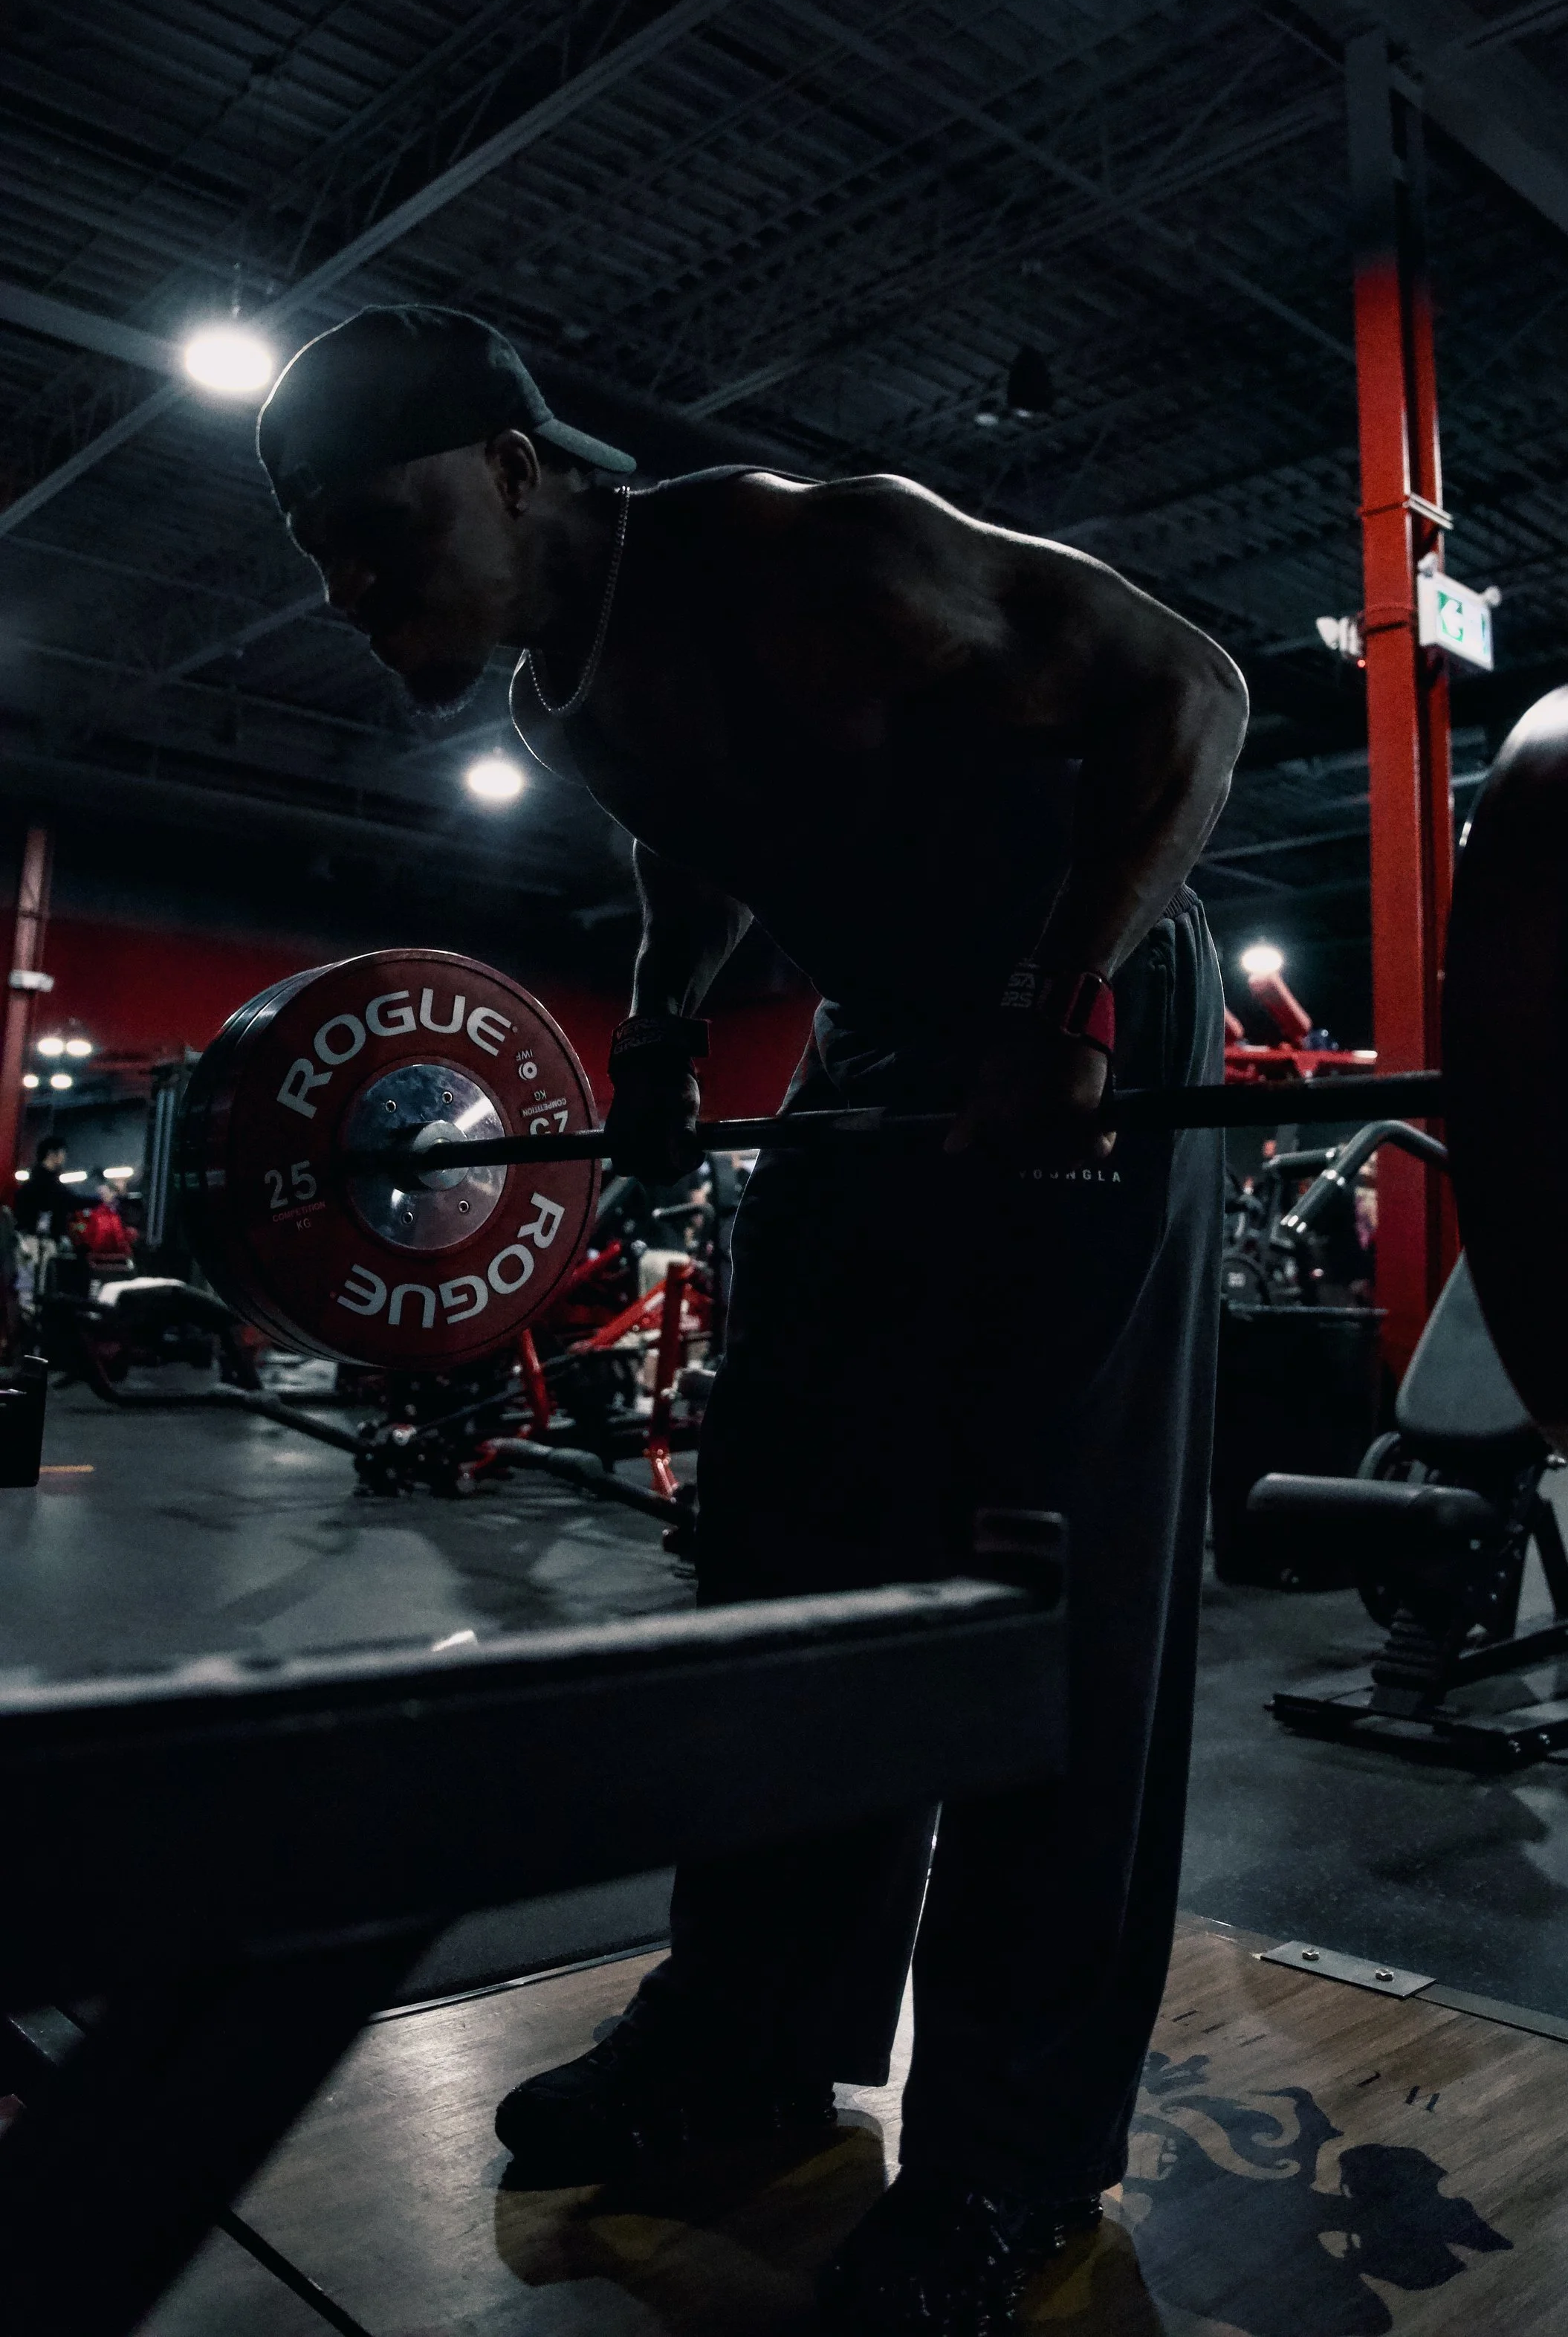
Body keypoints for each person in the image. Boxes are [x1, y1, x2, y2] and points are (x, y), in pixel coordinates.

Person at [256, 303, 1248, 2335]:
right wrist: (668, 1011)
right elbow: (692, 827)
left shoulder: (819, 553)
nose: (358, 593)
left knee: (1044, 1595)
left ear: (521, 468)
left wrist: (1060, 1005)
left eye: (381, 528)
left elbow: (1194, 692)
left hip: (1089, 1005)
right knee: (782, 1533)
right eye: (323, 560)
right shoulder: (553, 682)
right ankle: (747, 2029)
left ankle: (1009, 2156)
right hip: (889, 1036)